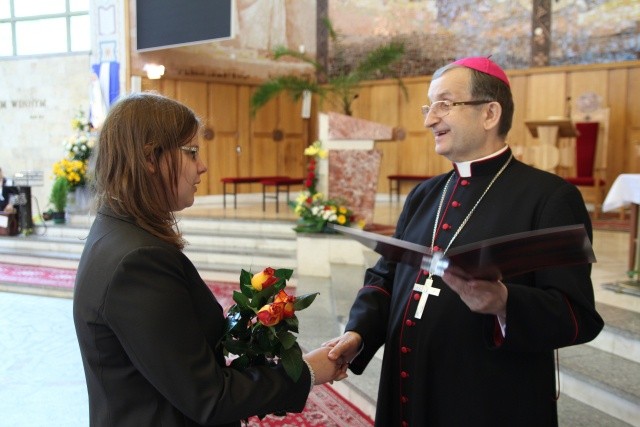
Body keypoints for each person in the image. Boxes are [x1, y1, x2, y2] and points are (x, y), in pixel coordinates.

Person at [325, 57, 604, 426]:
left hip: (488, 401)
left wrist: (505, 304)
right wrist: (358, 333)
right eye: (429, 106)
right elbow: (386, 278)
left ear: (490, 114)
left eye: (445, 104)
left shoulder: (550, 198)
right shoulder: (425, 195)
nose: (429, 119)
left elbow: (576, 314)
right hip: (409, 388)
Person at [73, 92, 344, 427]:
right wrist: (307, 372)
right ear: (150, 158)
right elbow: (209, 398)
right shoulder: (138, 261)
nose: (202, 165)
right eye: (191, 152)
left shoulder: (115, 229)